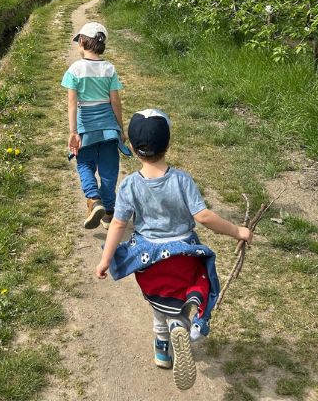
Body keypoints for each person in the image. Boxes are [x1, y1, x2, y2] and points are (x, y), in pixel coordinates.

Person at [95, 109, 252, 391]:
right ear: (168, 145)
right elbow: (203, 217)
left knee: (160, 302)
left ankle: (162, 350)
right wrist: (238, 231)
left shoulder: (129, 185)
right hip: (182, 255)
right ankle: (185, 324)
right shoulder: (181, 180)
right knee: (199, 281)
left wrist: (106, 259)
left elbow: (118, 223)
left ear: (131, 147)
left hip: (150, 260)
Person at [62, 22, 127, 229]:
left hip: (86, 127)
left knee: (84, 164)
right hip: (108, 128)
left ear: (82, 42)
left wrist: (73, 132)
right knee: (109, 169)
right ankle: (109, 212)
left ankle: (93, 199)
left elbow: (72, 104)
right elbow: (115, 102)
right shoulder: (109, 69)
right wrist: (120, 128)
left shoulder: (74, 70)